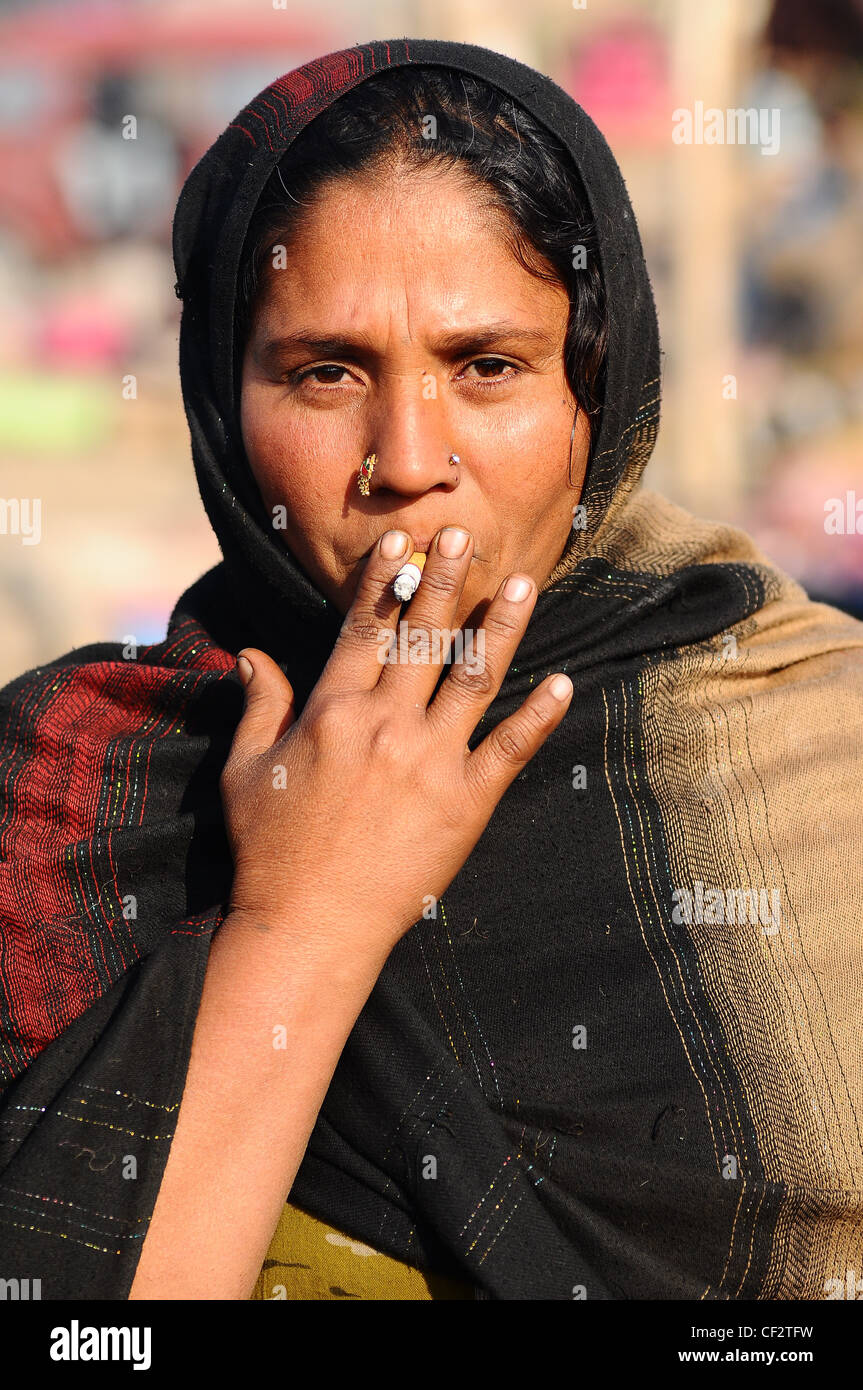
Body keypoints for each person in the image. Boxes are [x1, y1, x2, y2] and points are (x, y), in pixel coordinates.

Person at [0, 38, 861, 1303]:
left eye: (488, 367)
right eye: (323, 371)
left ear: (598, 385)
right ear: (218, 402)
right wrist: (302, 922)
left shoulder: (812, 743)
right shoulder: (76, 790)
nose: (406, 458)